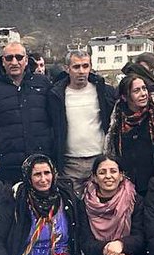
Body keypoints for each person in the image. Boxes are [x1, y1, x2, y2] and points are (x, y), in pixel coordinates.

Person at [0, 41, 54, 185]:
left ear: (26, 60)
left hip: (40, 163)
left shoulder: (43, 84)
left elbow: (53, 121)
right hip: (6, 164)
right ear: (2, 61)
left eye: (19, 57)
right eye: (9, 58)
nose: (14, 62)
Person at [48, 51, 117, 189]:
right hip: (70, 163)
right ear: (67, 69)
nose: (81, 71)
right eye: (76, 67)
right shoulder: (56, 95)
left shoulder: (103, 91)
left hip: (99, 159)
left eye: (85, 66)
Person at [104, 71, 154, 196]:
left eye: (144, 88)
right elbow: (112, 151)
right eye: (137, 91)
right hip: (126, 185)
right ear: (124, 96)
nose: (143, 94)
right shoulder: (117, 120)